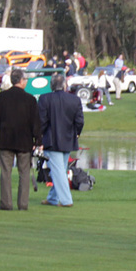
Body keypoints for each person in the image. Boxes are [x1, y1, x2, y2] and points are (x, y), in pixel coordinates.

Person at [0, 68, 41, 211]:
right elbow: (35, 122)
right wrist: (38, 141)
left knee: (6, 172)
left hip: (6, 140)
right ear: (22, 81)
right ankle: (23, 204)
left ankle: (6, 203)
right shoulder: (30, 99)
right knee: (24, 173)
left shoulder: (2, 97)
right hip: (25, 141)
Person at [37, 73, 84, 207]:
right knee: (60, 170)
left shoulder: (45, 98)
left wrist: (39, 139)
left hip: (52, 140)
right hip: (69, 139)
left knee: (58, 171)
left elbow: (42, 121)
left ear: (51, 85)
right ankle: (52, 198)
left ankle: (66, 200)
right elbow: (79, 121)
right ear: (64, 85)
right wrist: (77, 134)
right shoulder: (74, 100)